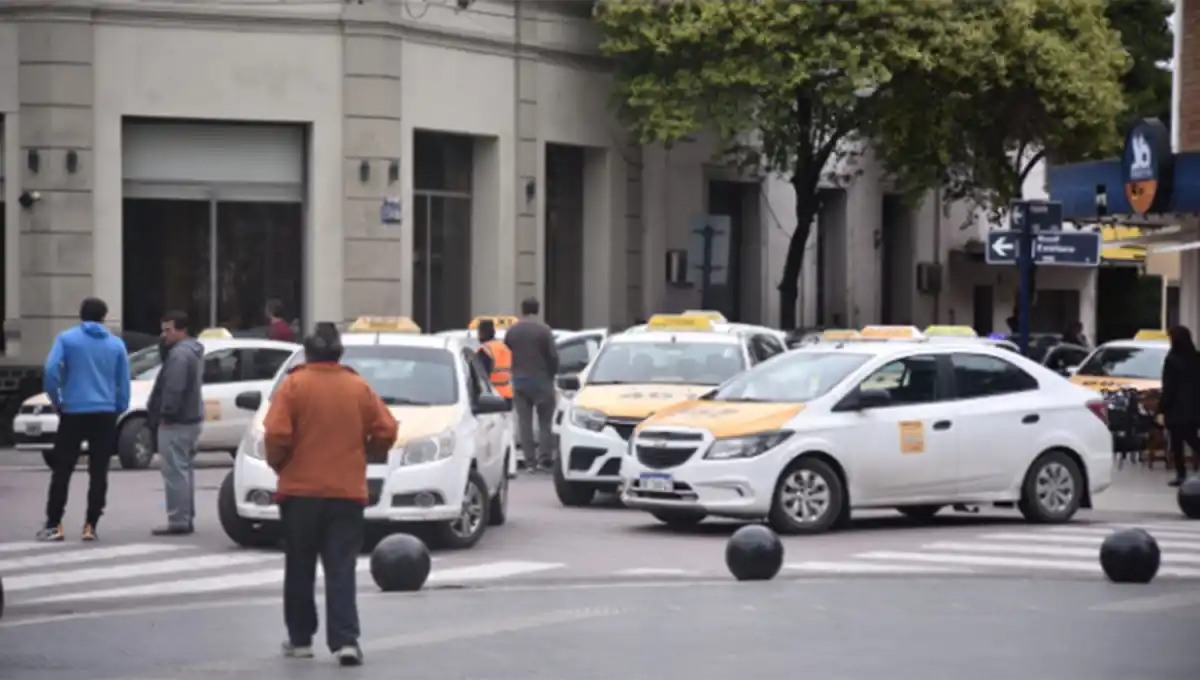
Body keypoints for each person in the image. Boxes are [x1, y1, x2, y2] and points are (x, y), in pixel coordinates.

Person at [264, 322, 398, 666]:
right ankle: (346, 640)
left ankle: (300, 639)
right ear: (339, 353)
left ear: (307, 352)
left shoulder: (293, 385)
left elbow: (277, 433)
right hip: (346, 491)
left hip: (300, 492)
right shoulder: (358, 387)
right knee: (341, 566)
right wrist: (369, 452)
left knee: (299, 566)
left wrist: (281, 464)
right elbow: (387, 428)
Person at [37, 297, 130, 542]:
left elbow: (50, 370)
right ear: (104, 317)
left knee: (62, 470)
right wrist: (119, 406)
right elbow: (123, 381)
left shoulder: (67, 339)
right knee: (99, 472)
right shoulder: (116, 344)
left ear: (81, 315)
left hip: (74, 411)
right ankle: (91, 525)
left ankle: (54, 524)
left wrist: (56, 399)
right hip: (105, 413)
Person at [146, 311, 205, 536]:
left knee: (174, 472)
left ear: (182, 330)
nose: (164, 335)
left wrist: (165, 414)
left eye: (169, 330)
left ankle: (179, 519)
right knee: (183, 470)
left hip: (177, 421)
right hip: (190, 419)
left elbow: (174, 388)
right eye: (163, 330)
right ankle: (185, 516)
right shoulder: (191, 350)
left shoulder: (180, 355)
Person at [504, 297, 558, 472]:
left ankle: (529, 462)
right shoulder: (544, 330)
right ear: (538, 309)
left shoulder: (512, 331)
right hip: (542, 380)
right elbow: (553, 356)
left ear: (522, 309)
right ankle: (544, 459)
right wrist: (551, 374)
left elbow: (506, 352)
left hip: (519, 381)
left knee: (524, 423)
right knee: (545, 422)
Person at [1159, 325, 1200, 486]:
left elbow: (1169, 387)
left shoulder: (1172, 359)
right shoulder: (1196, 357)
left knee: (1177, 442)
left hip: (1176, 408)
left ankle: (1181, 474)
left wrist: (1161, 408)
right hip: (1195, 407)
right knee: (1192, 437)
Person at [475, 319, 513, 403]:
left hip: (491, 397)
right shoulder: (504, 347)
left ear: (482, 332)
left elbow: (480, 377)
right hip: (509, 395)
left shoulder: (484, 350)